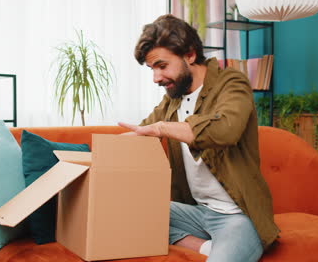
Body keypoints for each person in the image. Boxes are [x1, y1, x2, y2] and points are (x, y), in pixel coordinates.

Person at [118, 14, 279, 262]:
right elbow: (143, 131)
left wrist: (162, 128)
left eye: (162, 66)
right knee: (126, 210)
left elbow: (225, 129)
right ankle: (205, 246)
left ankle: (224, 247)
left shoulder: (232, 83)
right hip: (196, 212)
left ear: (190, 55)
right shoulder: (173, 97)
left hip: (237, 216)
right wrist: (95, 156)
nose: (156, 78)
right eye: (152, 69)